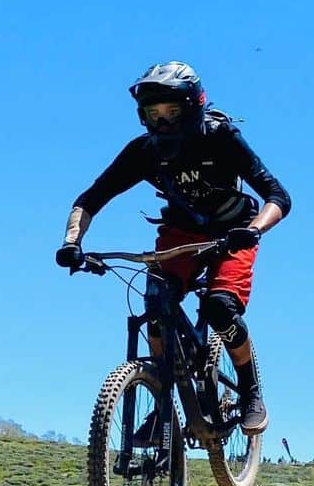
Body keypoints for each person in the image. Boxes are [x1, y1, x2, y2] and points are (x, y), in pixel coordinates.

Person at [54, 61, 291, 433]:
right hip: (181, 236)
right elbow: (90, 199)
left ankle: (250, 391)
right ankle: (162, 402)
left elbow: (278, 196)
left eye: (172, 112)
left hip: (233, 232)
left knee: (220, 308)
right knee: (155, 302)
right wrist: (72, 242)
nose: (162, 123)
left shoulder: (222, 138)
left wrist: (255, 229)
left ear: (193, 106)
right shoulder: (143, 152)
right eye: (153, 114)